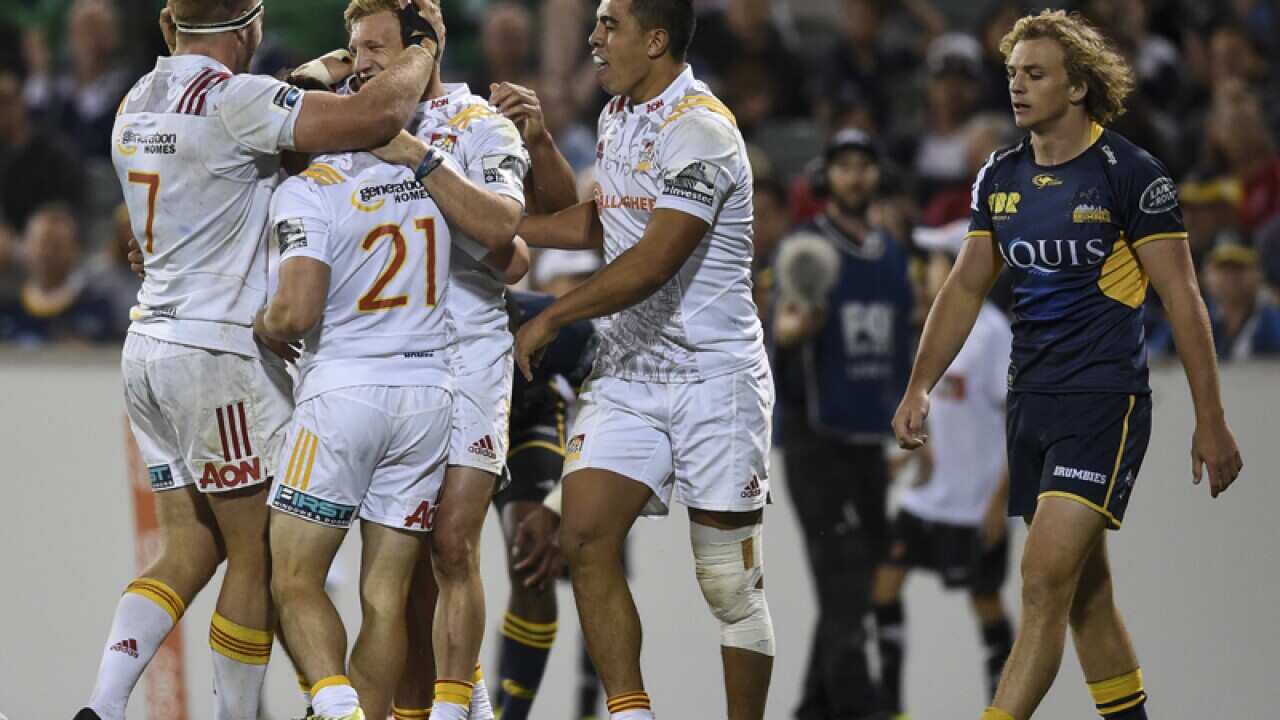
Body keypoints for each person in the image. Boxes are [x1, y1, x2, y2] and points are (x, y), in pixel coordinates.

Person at [77, 0, 444, 718]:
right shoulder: (237, 100)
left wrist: (331, 67)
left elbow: (258, 119)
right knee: (261, 558)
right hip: (219, 356)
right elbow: (374, 119)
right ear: (250, 28)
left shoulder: (134, 99)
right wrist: (422, 47)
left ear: (167, 25)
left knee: (188, 551)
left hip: (149, 346)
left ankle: (105, 701)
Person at [891, 11, 1244, 720]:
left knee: (1043, 580)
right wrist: (919, 384)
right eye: (1013, 73)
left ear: (1079, 86)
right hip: (1031, 405)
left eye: (1036, 73)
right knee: (1086, 599)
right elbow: (965, 285)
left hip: (1101, 403)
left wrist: (1212, 419)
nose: (1017, 86)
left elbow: (1183, 296)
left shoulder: (1131, 176)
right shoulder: (1001, 173)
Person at [512, 1, 776, 717]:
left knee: (728, 585)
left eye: (610, 25)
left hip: (714, 380)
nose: (593, 38)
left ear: (656, 40)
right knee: (586, 534)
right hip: (630, 372)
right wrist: (498, 223)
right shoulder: (618, 115)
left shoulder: (702, 129)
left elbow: (655, 260)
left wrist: (554, 316)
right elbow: (607, 225)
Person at [330, 3, 579, 717]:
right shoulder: (349, 121)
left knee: (452, 544)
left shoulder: (478, 126)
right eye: (353, 49)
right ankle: (459, 701)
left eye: (376, 46)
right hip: (383, 362)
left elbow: (507, 232)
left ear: (424, 49)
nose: (363, 62)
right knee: (403, 573)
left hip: (470, 354)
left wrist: (415, 155)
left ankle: (446, 710)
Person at [772, 129, 914, 720]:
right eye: (844, 167)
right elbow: (782, 330)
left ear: (875, 176)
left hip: (866, 443)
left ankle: (810, 710)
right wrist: (797, 327)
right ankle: (863, 709)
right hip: (814, 441)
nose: (854, 176)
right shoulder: (807, 246)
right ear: (826, 178)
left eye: (863, 166)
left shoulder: (892, 257)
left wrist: (908, 430)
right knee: (845, 582)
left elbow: (903, 348)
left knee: (852, 592)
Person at [871, 225, 1015, 719]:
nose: (925, 271)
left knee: (986, 604)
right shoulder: (933, 327)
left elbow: (1018, 424)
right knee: (883, 587)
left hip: (976, 503)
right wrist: (909, 457)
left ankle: (1004, 707)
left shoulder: (995, 333)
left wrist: (1000, 502)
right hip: (928, 498)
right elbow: (944, 412)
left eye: (933, 259)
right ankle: (892, 708)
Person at [489, 289, 598, 720]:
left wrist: (557, 500)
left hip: (526, 418)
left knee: (531, 556)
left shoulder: (563, 329)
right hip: (448, 420)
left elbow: (607, 402)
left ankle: (511, 714)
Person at [0, 203, 113, 345]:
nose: (47, 253)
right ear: (25, 247)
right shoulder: (6, 308)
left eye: (57, 245)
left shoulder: (97, 310)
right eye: (41, 244)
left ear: (75, 250)